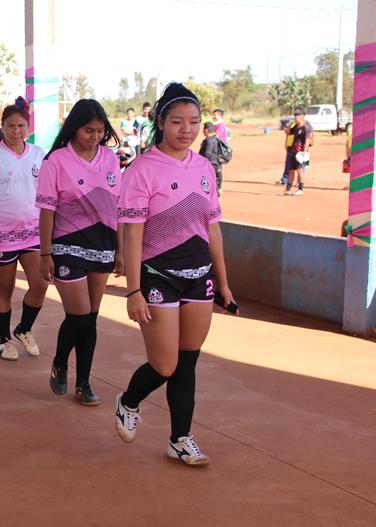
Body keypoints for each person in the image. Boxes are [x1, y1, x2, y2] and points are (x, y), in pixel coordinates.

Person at [116, 82, 235, 467]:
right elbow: (133, 232)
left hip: (198, 275)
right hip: (156, 275)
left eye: (195, 122)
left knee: (188, 362)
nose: (187, 129)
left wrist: (224, 283)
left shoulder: (203, 167)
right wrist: (133, 290)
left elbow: (212, 227)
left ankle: (180, 439)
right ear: (161, 122)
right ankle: (129, 401)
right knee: (164, 365)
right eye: (178, 121)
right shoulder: (141, 170)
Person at [36, 99, 123, 406]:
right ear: (74, 128)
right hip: (66, 246)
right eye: (88, 130)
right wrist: (45, 254)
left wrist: (120, 251)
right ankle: (61, 361)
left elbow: (119, 207)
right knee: (80, 316)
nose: (95, 136)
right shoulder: (55, 161)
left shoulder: (111, 159)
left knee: (91, 318)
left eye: (100, 131)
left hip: (102, 246)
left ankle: (83, 383)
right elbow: (46, 211)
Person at [0, 97, 48, 361]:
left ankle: (24, 329)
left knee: (40, 283)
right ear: (2, 127)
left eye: (21, 125)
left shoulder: (39, 154)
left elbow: (49, 194)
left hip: (34, 232)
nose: (16, 131)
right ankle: (4, 339)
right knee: (6, 288)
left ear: (28, 127)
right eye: (11, 126)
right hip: (1, 235)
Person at [283, 108, 311, 196]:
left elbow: (307, 140)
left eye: (297, 116)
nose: (295, 117)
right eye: (295, 116)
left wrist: (305, 152)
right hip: (293, 151)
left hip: (300, 152)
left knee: (300, 170)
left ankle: (300, 189)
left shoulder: (305, 128)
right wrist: (287, 129)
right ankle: (288, 189)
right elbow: (288, 133)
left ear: (302, 116)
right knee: (291, 170)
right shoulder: (295, 127)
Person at [199, 122, 224, 194]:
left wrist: (199, 163)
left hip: (210, 165)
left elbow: (207, 154)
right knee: (215, 181)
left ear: (206, 130)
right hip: (217, 163)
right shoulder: (216, 139)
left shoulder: (209, 140)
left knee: (210, 182)